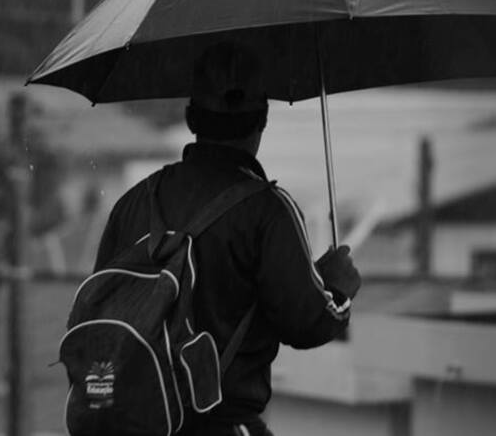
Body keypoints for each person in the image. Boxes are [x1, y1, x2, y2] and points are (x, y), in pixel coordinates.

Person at [94, 41, 362, 436]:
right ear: (263, 118)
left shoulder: (134, 202)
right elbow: (306, 323)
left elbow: (100, 308)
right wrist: (337, 286)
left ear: (190, 117)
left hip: (132, 422)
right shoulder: (268, 211)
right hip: (218, 425)